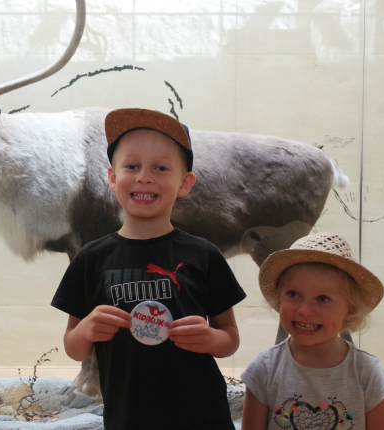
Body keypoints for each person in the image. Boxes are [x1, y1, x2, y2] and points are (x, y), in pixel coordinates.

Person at [51, 108, 246, 429]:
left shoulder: (204, 254)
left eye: (161, 167)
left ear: (185, 183)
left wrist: (210, 338)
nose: (144, 176)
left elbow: (230, 338)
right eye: (131, 166)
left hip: (202, 415)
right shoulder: (90, 259)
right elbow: (74, 346)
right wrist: (87, 329)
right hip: (128, 415)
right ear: (112, 178)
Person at [241, 232, 384, 430]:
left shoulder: (367, 372)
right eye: (294, 294)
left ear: (350, 309)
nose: (304, 310)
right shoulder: (264, 369)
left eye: (322, 298)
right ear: (280, 297)